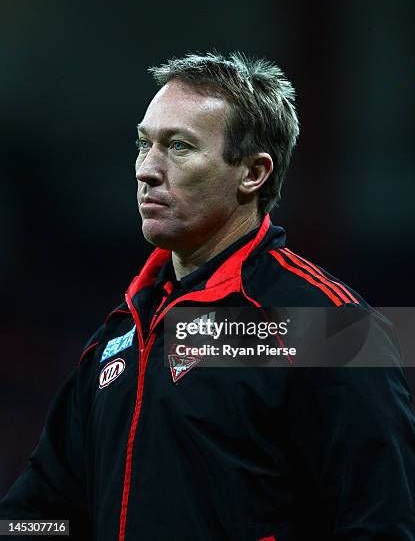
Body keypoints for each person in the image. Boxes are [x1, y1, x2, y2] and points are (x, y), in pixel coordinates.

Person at [1, 52, 414, 540]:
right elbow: (47, 515)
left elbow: (381, 524)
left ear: (252, 173)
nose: (147, 170)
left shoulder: (332, 326)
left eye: (178, 147)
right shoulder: (122, 334)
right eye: (143, 144)